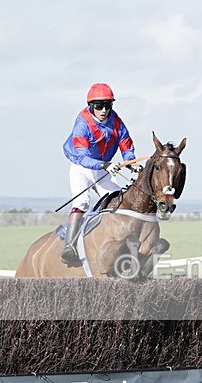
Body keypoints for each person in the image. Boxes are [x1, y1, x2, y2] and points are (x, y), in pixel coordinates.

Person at [60, 83, 138, 264]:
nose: (104, 110)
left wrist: (130, 162)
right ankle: (69, 245)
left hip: (103, 168)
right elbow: (83, 157)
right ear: (91, 106)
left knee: (119, 202)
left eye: (107, 106)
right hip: (82, 168)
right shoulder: (82, 123)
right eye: (99, 106)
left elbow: (125, 143)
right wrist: (104, 164)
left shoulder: (115, 120)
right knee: (82, 202)